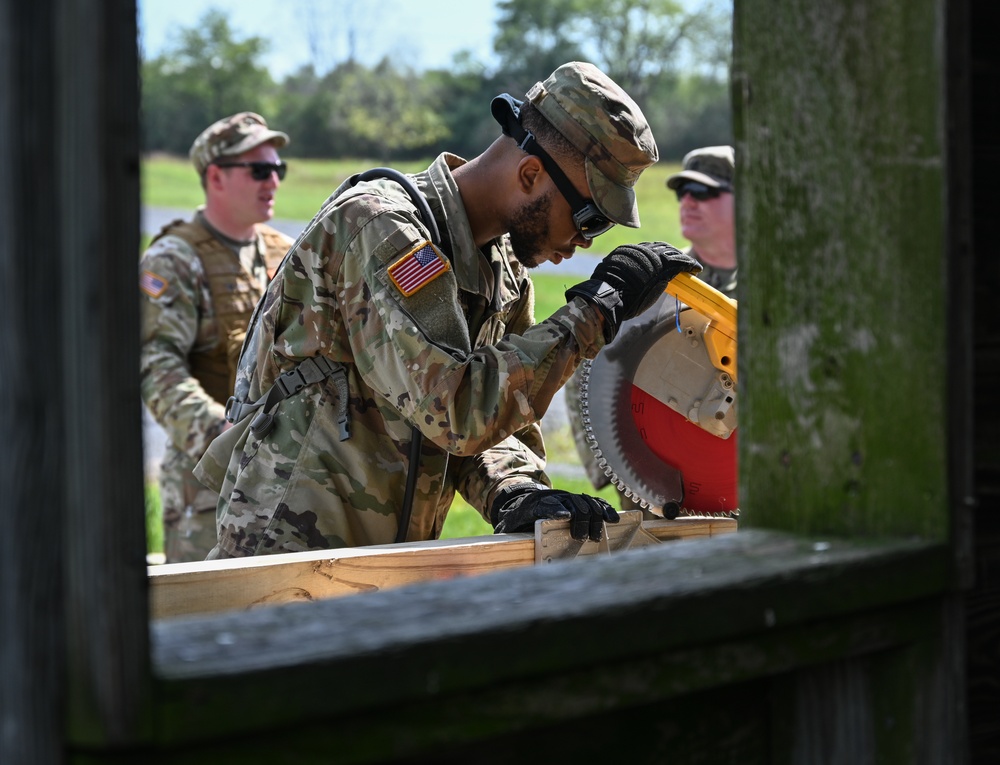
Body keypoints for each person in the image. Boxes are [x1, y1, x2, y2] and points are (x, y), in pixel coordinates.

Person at [194, 62, 701, 559]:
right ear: (529, 174)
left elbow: (497, 426)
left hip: (379, 565)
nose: (583, 242)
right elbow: (456, 408)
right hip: (285, 557)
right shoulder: (380, 228)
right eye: (588, 218)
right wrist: (598, 307)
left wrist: (516, 490)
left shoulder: (501, 274)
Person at [140, 112, 295, 563]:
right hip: (207, 484)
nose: (274, 182)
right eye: (260, 170)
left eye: (278, 169)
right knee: (204, 616)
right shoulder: (174, 259)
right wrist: (220, 434)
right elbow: (155, 366)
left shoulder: (284, 253)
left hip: (279, 480)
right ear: (215, 176)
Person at [566, 144, 737, 506]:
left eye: (704, 192)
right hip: (660, 485)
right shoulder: (659, 286)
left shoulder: (782, 294)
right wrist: (618, 473)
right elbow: (591, 372)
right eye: (683, 191)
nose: (689, 201)